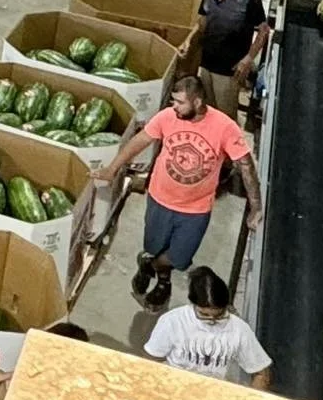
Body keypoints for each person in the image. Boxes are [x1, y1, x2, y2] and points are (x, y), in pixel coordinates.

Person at [98, 77, 263, 312]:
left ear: (197, 101)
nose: (174, 106)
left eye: (180, 102)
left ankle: (151, 265)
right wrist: (111, 169)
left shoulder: (224, 127)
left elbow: (246, 166)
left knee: (179, 258)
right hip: (159, 199)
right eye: (173, 101)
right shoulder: (167, 117)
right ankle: (163, 281)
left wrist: (256, 207)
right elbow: (140, 141)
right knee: (155, 245)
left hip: (195, 210)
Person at [144, 266, 273, 389]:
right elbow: (150, 363)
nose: (211, 320)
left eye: (219, 315)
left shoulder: (239, 329)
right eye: (204, 315)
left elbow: (261, 373)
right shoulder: (172, 321)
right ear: (193, 304)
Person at [194, 0, 269, 123]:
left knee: (225, 117)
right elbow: (203, 20)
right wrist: (190, 42)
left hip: (229, 69)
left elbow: (264, 31)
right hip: (206, 63)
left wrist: (248, 59)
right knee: (207, 110)